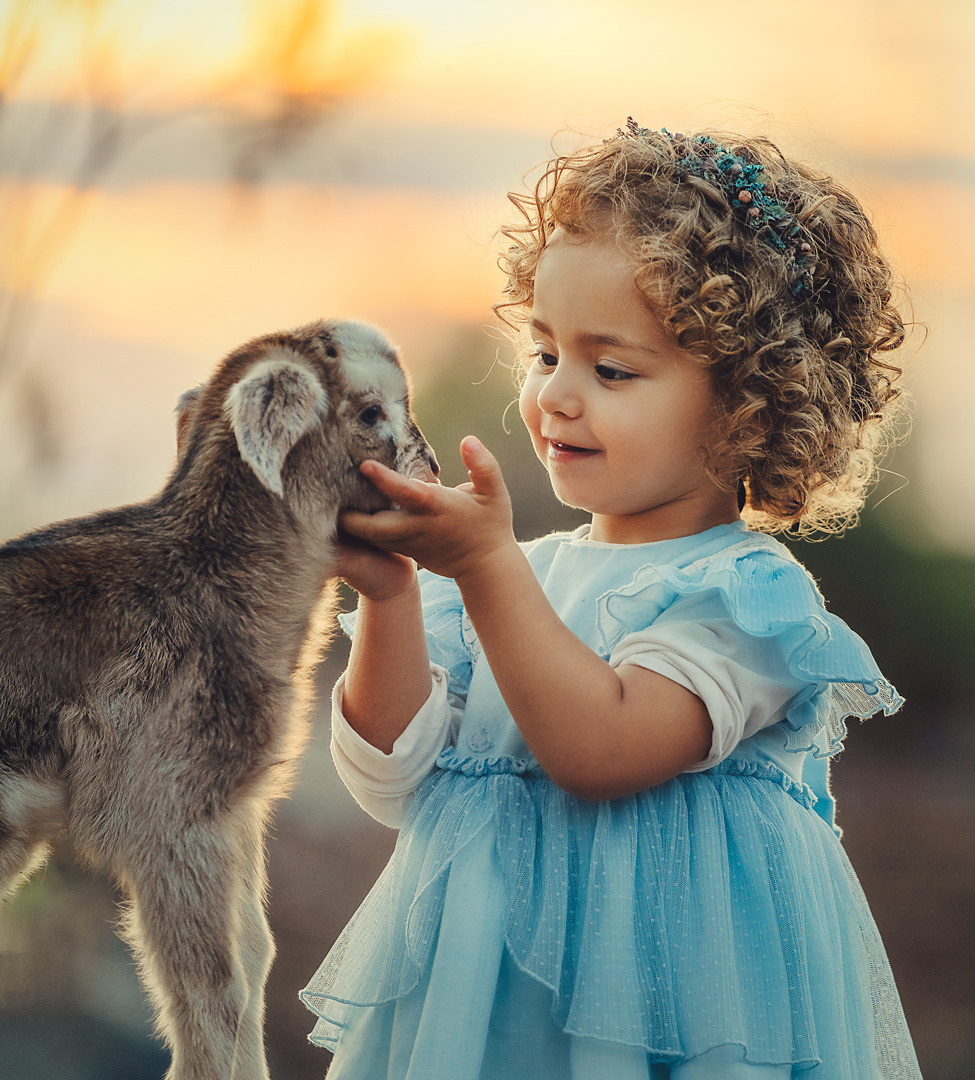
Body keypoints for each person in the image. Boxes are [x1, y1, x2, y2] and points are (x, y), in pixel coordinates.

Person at [300, 119, 923, 1079]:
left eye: (612, 369)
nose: (556, 395)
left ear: (749, 403)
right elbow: (394, 779)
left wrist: (485, 568)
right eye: (544, 353)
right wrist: (390, 597)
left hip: (678, 1019)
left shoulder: (745, 598)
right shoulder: (509, 579)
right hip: (487, 1017)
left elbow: (601, 750)